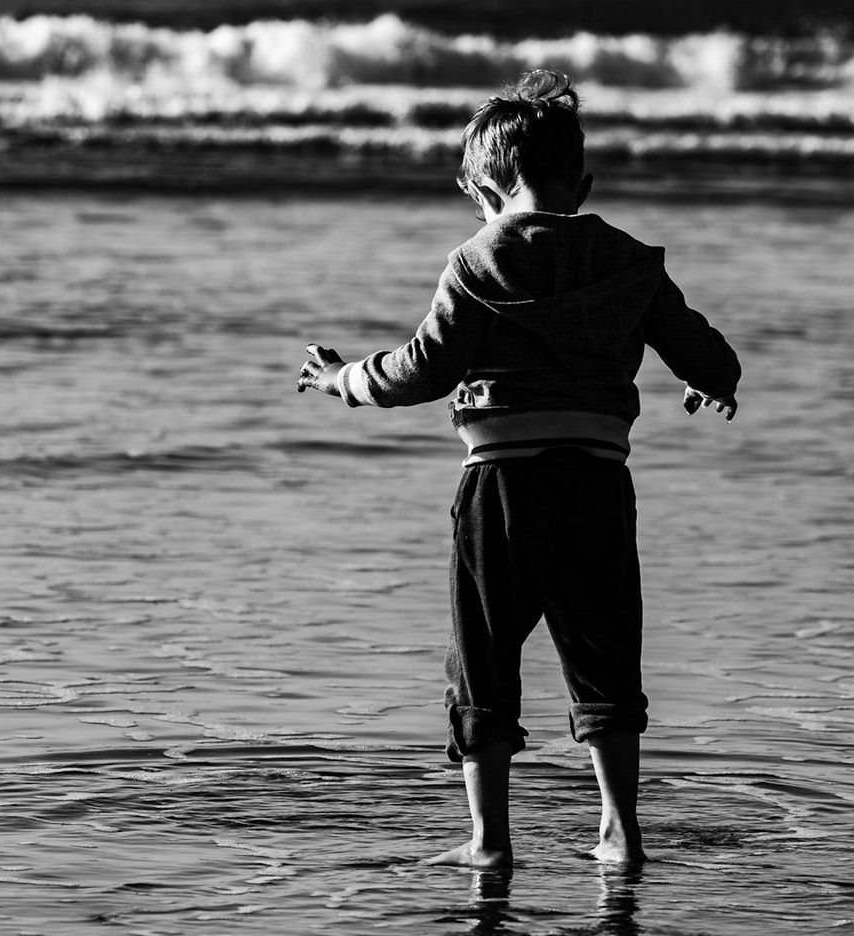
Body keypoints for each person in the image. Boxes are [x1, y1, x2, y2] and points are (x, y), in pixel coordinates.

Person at [296, 70, 741, 868]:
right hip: (598, 482)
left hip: (502, 484)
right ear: (583, 185)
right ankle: (620, 830)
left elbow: (423, 369)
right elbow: (705, 353)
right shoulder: (631, 262)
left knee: (484, 657)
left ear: (485, 191)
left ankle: (489, 841)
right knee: (605, 652)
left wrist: (343, 380)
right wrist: (714, 381)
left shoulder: (476, 263)